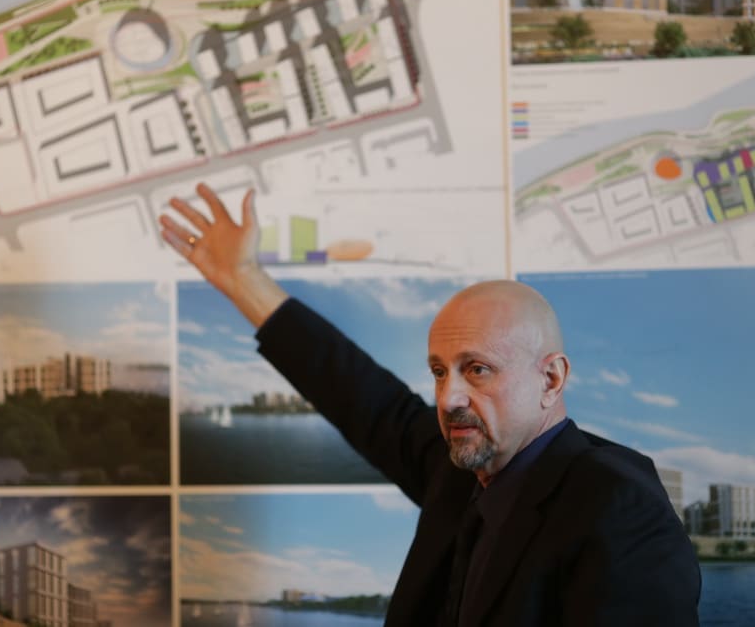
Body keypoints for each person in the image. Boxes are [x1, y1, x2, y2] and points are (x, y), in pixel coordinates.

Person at [160, 183, 701, 626]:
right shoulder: (461, 470)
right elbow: (361, 395)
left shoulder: (618, 507)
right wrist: (244, 280)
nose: (449, 397)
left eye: (477, 369)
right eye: (440, 372)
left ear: (551, 379)